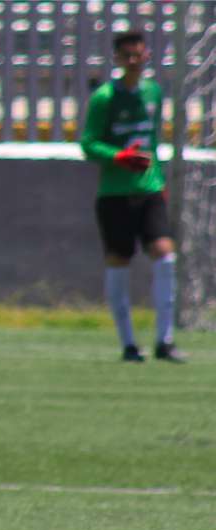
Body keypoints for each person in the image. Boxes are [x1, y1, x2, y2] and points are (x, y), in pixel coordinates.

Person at [81, 30, 185, 363]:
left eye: (138, 55)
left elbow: (152, 141)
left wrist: (159, 178)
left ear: (147, 57)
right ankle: (128, 344)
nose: (133, 61)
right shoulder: (104, 98)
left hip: (149, 190)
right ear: (117, 59)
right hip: (114, 193)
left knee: (165, 255)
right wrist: (119, 157)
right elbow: (88, 143)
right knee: (119, 261)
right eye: (126, 56)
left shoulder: (153, 92)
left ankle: (164, 341)